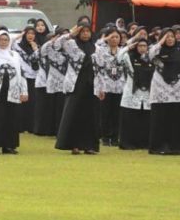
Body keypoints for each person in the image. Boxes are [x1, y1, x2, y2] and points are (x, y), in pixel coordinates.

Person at [55, 25, 103, 155]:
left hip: (92, 85)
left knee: (90, 115)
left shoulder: (97, 48)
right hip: (76, 84)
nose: (85, 34)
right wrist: (70, 33)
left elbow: (100, 68)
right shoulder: (71, 44)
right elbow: (57, 45)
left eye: (87, 31)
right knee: (74, 113)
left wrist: (101, 87)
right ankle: (73, 145)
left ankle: (89, 145)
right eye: (82, 32)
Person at [147, 31, 180, 155]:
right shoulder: (157, 52)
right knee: (160, 120)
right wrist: (160, 42)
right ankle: (159, 147)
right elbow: (150, 54)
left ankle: (177, 147)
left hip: (179, 90)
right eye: (167, 36)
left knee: (177, 120)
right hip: (160, 89)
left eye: (172, 37)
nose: (170, 39)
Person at [92, 28, 130, 147]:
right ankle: (105, 137)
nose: (114, 39)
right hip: (105, 86)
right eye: (112, 37)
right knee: (105, 113)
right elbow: (95, 46)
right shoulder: (101, 51)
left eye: (117, 37)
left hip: (120, 86)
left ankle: (114, 138)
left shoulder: (123, 52)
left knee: (117, 113)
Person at [118, 36, 152, 150]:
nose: (142, 48)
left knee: (145, 120)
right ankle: (128, 143)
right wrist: (128, 47)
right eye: (140, 46)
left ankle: (144, 143)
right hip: (132, 92)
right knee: (130, 119)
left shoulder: (151, 58)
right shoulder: (129, 57)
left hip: (147, 93)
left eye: (144, 46)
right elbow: (119, 57)